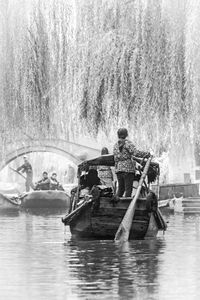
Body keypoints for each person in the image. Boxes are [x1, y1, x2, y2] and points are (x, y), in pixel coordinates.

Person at [113, 128, 150, 197]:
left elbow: (115, 158)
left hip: (118, 170)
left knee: (120, 190)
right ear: (126, 134)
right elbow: (136, 153)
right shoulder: (127, 143)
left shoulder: (115, 145)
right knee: (128, 190)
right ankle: (126, 205)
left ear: (118, 135)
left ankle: (116, 204)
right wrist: (146, 154)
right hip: (128, 170)